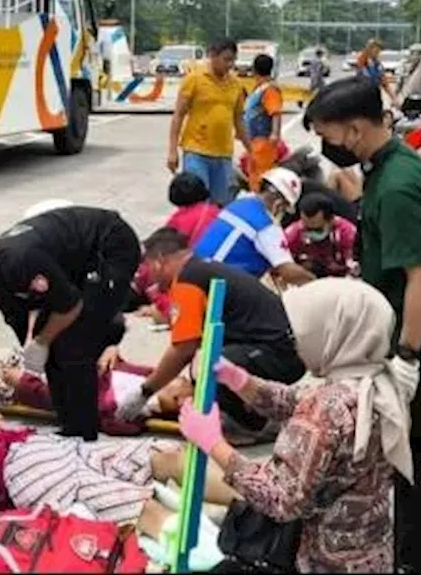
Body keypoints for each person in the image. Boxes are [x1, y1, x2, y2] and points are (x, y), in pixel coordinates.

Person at [305, 75, 421, 574]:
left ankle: (414, 555)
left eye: (328, 135)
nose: (326, 146)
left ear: (354, 130)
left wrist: (407, 357)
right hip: (418, 323)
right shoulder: (389, 164)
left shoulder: (397, 185)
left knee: (408, 448)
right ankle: (417, 544)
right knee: (408, 446)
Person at [178, 278, 417, 574]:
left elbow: (279, 497)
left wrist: (214, 443)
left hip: (323, 560)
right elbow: (296, 402)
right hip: (371, 552)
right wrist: (240, 380)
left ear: (331, 332)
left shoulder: (329, 407)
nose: (295, 343)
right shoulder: (379, 384)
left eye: (301, 333)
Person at [0, 206, 141, 441]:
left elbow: (70, 307)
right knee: (54, 347)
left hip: (109, 245)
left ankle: (85, 434)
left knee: (75, 342)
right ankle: (68, 425)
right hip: (69, 264)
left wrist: (42, 340)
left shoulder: (18, 264)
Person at [0, 382, 238, 526]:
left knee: (164, 455)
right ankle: (231, 551)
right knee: (134, 502)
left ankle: (254, 499)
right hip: (22, 473)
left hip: (49, 446)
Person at [118, 228, 306, 445]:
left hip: (276, 354)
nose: (149, 275)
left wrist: (145, 391)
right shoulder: (203, 269)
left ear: (160, 260)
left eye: (149, 266)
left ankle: (254, 425)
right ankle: (257, 412)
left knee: (206, 364)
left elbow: (183, 348)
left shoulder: (189, 279)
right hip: (279, 350)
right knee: (204, 360)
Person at [0, 348, 194, 436]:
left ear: (176, 399)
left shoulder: (128, 411)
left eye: (182, 384)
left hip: (37, 385)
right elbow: (120, 364)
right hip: (57, 365)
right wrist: (111, 351)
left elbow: (65, 401)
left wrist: (23, 383)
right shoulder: (150, 377)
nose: (180, 379)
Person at [193, 167, 316, 287]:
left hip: (195, 271)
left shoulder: (238, 204)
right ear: (279, 203)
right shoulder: (265, 226)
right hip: (217, 286)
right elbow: (289, 272)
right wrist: (319, 284)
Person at [131, 172, 221, 322]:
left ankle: (159, 308)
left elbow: (162, 246)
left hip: (185, 271)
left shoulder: (179, 219)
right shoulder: (216, 211)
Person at [167, 40, 245, 205]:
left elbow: (238, 120)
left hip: (223, 155)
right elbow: (178, 116)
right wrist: (172, 151)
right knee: (196, 202)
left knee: (221, 205)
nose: (230, 65)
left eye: (233, 60)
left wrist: (251, 150)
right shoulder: (194, 79)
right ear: (212, 56)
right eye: (226, 59)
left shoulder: (236, 84)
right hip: (196, 151)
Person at [284, 192, 358, 278]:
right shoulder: (293, 233)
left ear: (331, 220)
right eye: (306, 228)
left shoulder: (348, 234)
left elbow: (355, 269)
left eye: (317, 229)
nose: (310, 233)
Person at [241, 53, 285, 193]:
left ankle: (262, 203)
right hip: (253, 141)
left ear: (254, 69)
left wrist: (274, 134)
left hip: (264, 141)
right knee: (253, 172)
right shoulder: (259, 89)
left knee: (262, 175)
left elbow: (275, 113)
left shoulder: (269, 90)